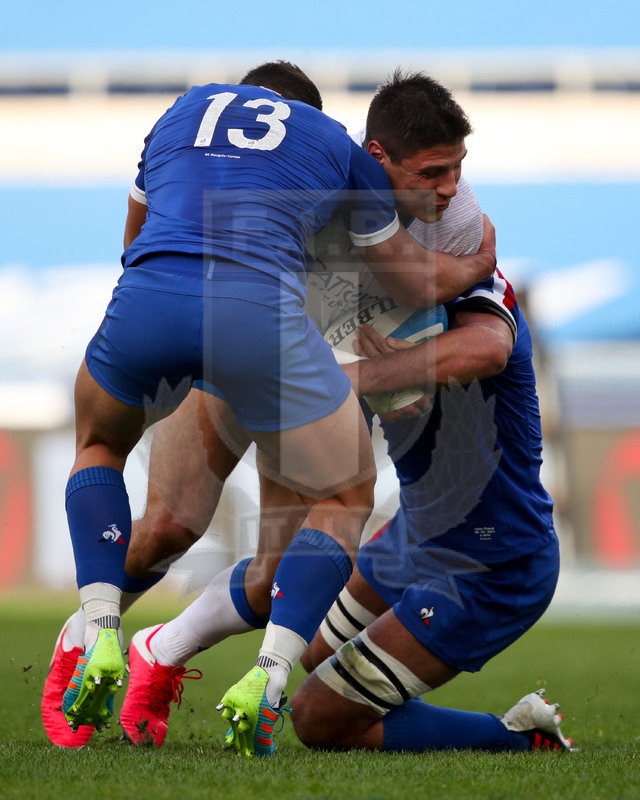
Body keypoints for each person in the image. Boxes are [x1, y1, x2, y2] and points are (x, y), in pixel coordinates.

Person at [43, 63, 496, 748]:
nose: (448, 190)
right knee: (170, 525)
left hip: (267, 352)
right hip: (258, 346)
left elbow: (134, 246)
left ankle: (153, 652)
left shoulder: (446, 217)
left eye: (453, 172)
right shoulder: (343, 162)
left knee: (272, 576)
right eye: (432, 173)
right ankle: (76, 652)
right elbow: (414, 285)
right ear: (380, 157)